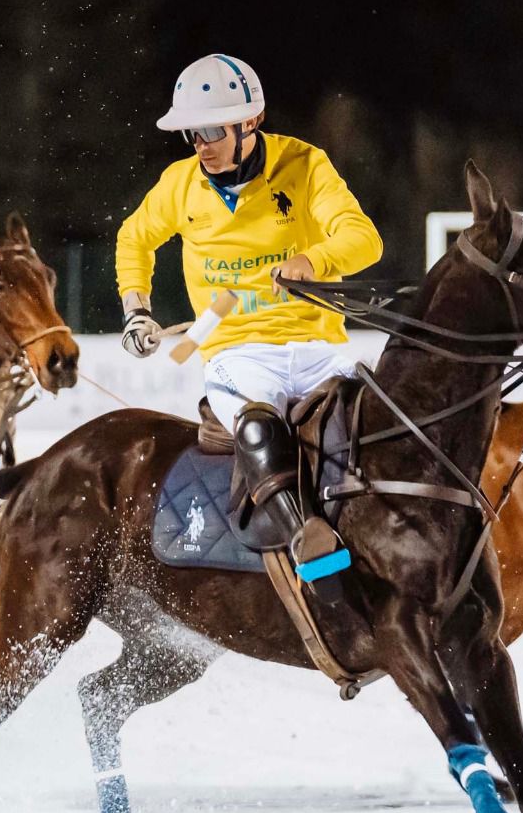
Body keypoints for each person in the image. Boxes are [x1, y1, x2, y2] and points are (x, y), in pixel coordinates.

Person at [115, 53, 382, 557]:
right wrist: (137, 308)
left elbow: (364, 238)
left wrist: (313, 259)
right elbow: (134, 239)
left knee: (390, 414)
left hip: (320, 347)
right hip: (239, 355)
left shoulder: (304, 165)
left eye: (212, 131)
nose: (201, 147)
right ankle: (309, 544)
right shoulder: (178, 184)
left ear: (251, 121)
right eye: (192, 134)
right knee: (259, 429)